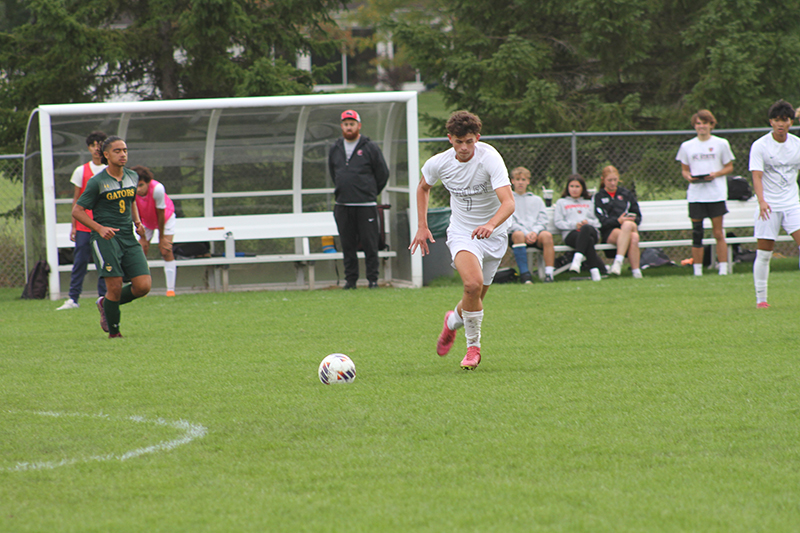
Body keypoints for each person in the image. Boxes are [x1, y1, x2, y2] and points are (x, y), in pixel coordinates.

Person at [410, 110, 515, 370]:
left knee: (476, 296)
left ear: (477, 138)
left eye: (469, 141)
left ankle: (451, 322)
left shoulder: (490, 158)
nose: (465, 147)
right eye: (459, 142)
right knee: (472, 285)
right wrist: (422, 226)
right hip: (462, 233)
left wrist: (490, 225)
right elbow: (423, 188)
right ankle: (473, 349)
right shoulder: (439, 163)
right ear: (450, 140)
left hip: (495, 234)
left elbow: (509, 202)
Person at [73, 136, 152, 338]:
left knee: (143, 286)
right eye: (117, 151)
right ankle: (115, 334)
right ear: (106, 155)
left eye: (125, 150)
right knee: (115, 286)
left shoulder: (132, 176)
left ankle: (104, 303)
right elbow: (78, 210)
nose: (123, 154)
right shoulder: (97, 182)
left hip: (128, 237)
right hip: (105, 239)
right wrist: (99, 228)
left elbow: (131, 200)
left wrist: (137, 223)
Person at [328, 109, 390, 289]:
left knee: (370, 245)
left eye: (352, 124)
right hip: (343, 205)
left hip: (366, 205)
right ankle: (350, 281)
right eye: (346, 124)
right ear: (342, 126)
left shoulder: (370, 147)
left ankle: (372, 280)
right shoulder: (335, 148)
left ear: (358, 126)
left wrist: (369, 192)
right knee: (347, 245)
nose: (349, 127)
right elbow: (334, 172)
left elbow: (382, 174)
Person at [749, 99, 800, 308]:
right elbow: (757, 176)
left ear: (790, 122)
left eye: (785, 120)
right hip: (769, 205)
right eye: (777, 120)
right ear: (771, 122)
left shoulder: (796, 144)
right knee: (764, 253)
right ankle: (761, 299)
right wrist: (762, 201)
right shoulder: (760, 145)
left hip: (792, 203)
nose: (781, 124)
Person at [675, 109, 735, 276]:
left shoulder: (721, 143)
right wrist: (689, 177)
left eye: (704, 123)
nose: (701, 127)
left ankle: (723, 268)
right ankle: (698, 270)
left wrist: (715, 174)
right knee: (697, 232)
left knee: (718, 232)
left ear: (711, 125)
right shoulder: (687, 146)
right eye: (698, 123)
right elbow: (684, 169)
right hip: (696, 195)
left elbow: (729, 166)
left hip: (715, 194)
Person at [56, 131, 108, 310]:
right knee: (80, 262)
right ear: (89, 148)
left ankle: (103, 298)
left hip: (103, 225)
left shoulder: (111, 170)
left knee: (104, 261)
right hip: (84, 225)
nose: (97, 148)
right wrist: (73, 226)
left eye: (100, 145)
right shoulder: (81, 171)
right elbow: (76, 200)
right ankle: (73, 298)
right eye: (93, 145)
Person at [133, 165, 178, 297]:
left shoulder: (157, 189)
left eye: (141, 185)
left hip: (165, 218)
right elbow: (133, 211)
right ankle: (142, 288)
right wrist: (141, 235)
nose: (138, 189)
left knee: (165, 250)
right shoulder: (129, 190)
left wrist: (162, 237)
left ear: (147, 183)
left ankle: (170, 290)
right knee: (141, 251)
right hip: (145, 220)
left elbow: (160, 213)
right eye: (136, 185)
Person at [593, 165, 643, 278]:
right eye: (609, 180)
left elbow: (638, 215)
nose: (612, 183)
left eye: (615, 180)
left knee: (628, 225)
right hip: (611, 232)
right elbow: (601, 222)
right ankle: (636, 272)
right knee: (634, 237)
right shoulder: (599, 197)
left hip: (629, 226)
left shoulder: (626, 194)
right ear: (603, 180)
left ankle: (618, 262)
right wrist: (617, 221)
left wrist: (631, 218)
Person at [508, 166, 555, 283]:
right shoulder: (508, 199)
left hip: (535, 234)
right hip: (518, 235)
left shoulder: (537, 200)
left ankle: (549, 274)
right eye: (517, 179)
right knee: (518, 235)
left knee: (547, 236)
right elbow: (509, 221)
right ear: (512, 181)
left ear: (528, 181)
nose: (520, 182)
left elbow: (543, 219)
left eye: (523, 180)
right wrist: (526, 233)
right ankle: (525, 275)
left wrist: (534, 232)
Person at [553, 174, 604, 281]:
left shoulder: (589, 202)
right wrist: (574, 225)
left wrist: (588, 222)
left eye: (577, 186)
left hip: (590, 231)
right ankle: (595, 272)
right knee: (587, 240)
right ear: (567, 188)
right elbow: (558, 222)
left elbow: (598, 222)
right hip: (572, 234)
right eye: (572, 186)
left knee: (586, 229)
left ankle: (577, 258)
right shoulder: (561, 203)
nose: (574, 189)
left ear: (583, 188)